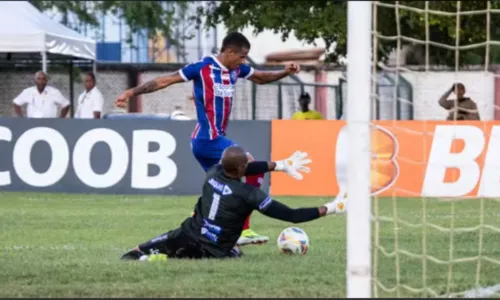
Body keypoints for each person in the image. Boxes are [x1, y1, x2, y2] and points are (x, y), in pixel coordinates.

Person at [115, 32, 301, 246]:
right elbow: (163, 80)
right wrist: (130, 92)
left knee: (219, 187)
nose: (243, 61)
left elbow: (260, 77)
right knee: (250, 165)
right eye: (241, 56)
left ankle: (198, 232)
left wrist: (285, 71)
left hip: (210, 140)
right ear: (229, 52)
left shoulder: (236, 69)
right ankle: (243, 230)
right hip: (207, 139)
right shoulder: (202, 67)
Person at [120, 146, 347, 261]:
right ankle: (233, 248)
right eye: (246, 164)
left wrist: (279, 165)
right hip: (216, 251)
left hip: (186, 235)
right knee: (234, 252)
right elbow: (292, 215)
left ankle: (148, 255)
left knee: (134, 253)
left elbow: (243, 166)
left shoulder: (212, 173)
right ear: (240, 170)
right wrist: (331, 207)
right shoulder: (249, 194)